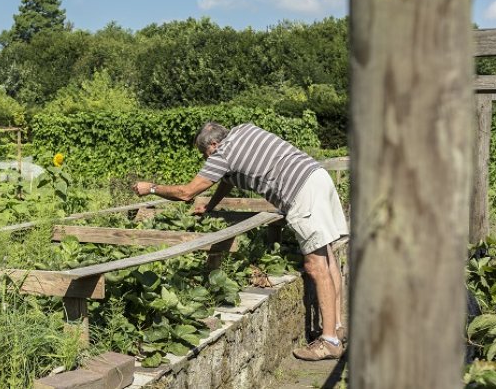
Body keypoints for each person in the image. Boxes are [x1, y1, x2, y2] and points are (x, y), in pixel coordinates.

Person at [132, 121, 348, 361]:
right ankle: (337, 327)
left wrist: (150, 188)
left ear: (214, 144)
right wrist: (210, 205)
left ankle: (329, 342)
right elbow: (227, 179)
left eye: (206, 154)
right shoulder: (245, 130)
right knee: (327, 255)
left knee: (315, 265)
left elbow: (186, 192)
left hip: (301, 193)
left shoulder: (222, 154)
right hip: (317, 176)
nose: (207, 160)